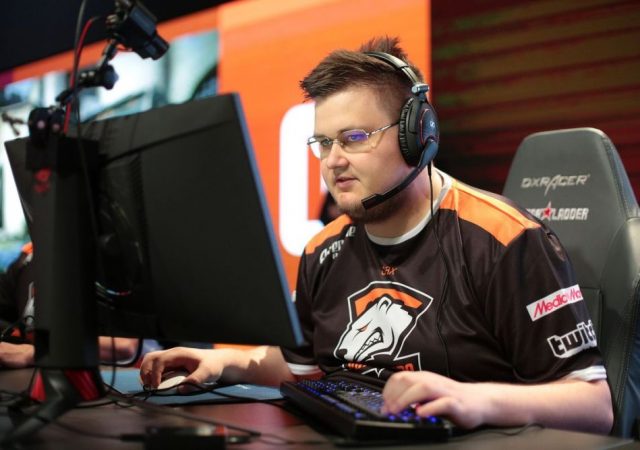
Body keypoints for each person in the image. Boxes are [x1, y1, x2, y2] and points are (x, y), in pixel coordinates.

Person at [139, 36, 613, 434]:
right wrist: (223, 364)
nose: (333, 161)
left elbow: (595, 406)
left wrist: (476, 400)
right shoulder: (323, 249)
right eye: (324, 142)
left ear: (416, 135)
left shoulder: (505, 240)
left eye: (354, 138)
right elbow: (304, 368)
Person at [0, 242, 139, 368]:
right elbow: (34, 334)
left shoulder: (114, 264)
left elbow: (125, 346)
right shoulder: (36, 261)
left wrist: (34, 352)